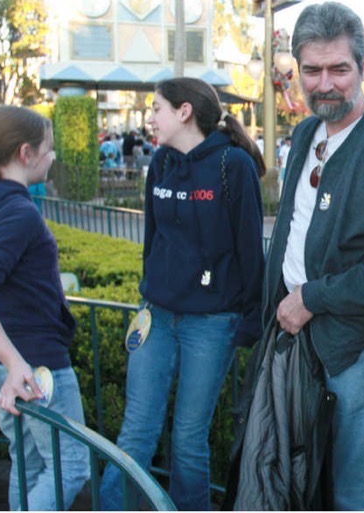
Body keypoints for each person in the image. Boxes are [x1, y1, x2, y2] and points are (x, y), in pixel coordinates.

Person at [262, 1, 364, 510]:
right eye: (312, 70)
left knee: (351, 492)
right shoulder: (304, 134)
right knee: (300, 483)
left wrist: (311, 297)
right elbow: (292, 229)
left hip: (355, 351)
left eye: (339, 69)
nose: (324, 83)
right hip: (294, 337)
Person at [99, 78, 266, 511]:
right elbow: (152, 239)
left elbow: (250, 247)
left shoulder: (234, 165)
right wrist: (149, 291)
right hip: (157, 315)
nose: (150, 117)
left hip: (211, 323)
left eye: (156, 108)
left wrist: (250, 319)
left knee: (189, 439)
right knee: (136, 430)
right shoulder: (161, 163)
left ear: (184, 111)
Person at [0, 106, 90, 510]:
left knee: (28, 466)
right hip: (33, 364)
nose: (53, 157)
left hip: (1, 360)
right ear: (26, 153)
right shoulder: (16, 211)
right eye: (50, 149)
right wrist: (16, 364)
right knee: (71, 465)